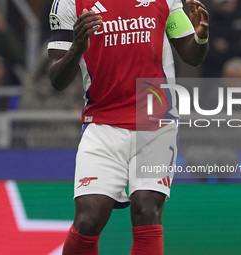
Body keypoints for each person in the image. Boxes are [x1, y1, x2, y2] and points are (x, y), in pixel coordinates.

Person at [48, 0, 209, 254]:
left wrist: (201, 38)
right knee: (88, 220)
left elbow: (191, 54)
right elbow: (56, 79)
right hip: (101, 122)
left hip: (155, 121)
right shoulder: (68, 3)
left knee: (147, 210)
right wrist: (77, 48)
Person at [202, 0, 241, 78]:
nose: (229, 4)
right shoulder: (207, 23)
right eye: (225, 2)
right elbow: (203, 53)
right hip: (214, 76)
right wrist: (239, 46)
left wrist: (228, 47)